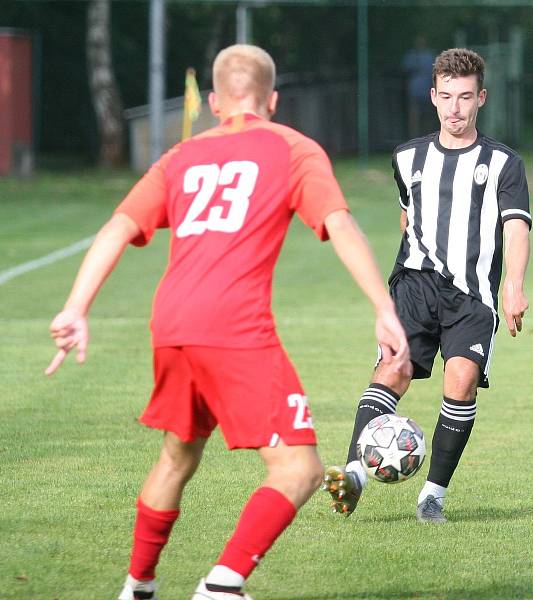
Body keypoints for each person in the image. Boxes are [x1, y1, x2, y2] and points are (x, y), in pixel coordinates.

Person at [45, 44, 409, 600]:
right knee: (300, 469)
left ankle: (137, 587)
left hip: (170, 324)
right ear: (273, 100)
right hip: (233, 327)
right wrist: (385, 309)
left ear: (214, 101)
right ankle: (223, 585)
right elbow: (338, 224)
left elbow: (118, 226)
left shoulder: (181, 156)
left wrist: (76, 307)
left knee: (178, 454)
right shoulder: (293, 148)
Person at [323, 48, 531, 524]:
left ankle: (432, 495)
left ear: (481, 98)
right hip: (415, 285)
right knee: (392, 370)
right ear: (433, 97)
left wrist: (514, 287)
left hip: (473, 294)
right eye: (446, 97)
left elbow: (516, 228)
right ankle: (353, 474)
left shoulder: (504, 163)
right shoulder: (408, 157)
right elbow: (407, 216)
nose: (454, 108)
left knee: (461, 381)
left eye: (464, 97)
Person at [402, 36, 437, 138]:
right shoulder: (411, 56)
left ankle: (428, 136)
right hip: (414, 90)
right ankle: (413, 137)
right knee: (414, 115)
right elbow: (405, 70)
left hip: (427, 90)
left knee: (428, 116)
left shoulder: (429, 56)